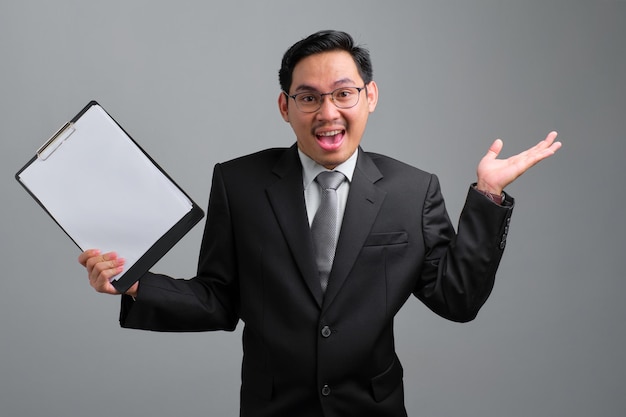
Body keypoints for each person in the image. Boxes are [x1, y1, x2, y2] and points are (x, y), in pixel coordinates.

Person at [79, 30, 561, 417]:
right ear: (285, 107)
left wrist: (487, 195)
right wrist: (138, 285)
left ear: (370, 96)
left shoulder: (413, 191)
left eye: (344, 94)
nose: (328, 113)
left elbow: (457, 299)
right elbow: (220, 300)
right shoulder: (239, 183)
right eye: (308, 98)